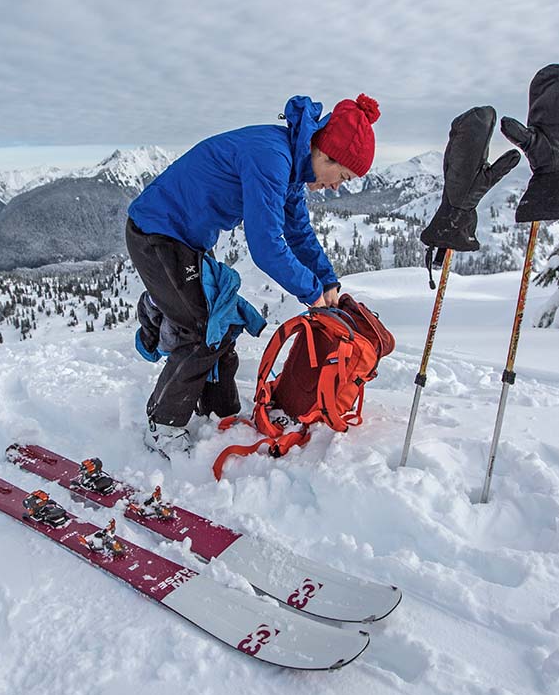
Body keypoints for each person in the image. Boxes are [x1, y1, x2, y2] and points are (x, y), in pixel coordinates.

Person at [126, 93, 381, 458]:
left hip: (184, 240)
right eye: (341, 175)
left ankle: (218, 411)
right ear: (325, 154)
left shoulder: (293, 165)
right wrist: (310, 291)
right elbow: (266, 246)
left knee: (223, 319)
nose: (336, 186)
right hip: (157, 234)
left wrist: (328, 281)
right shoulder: (272, 158)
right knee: (203, 330)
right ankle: (162, 424)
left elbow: (298, 233)